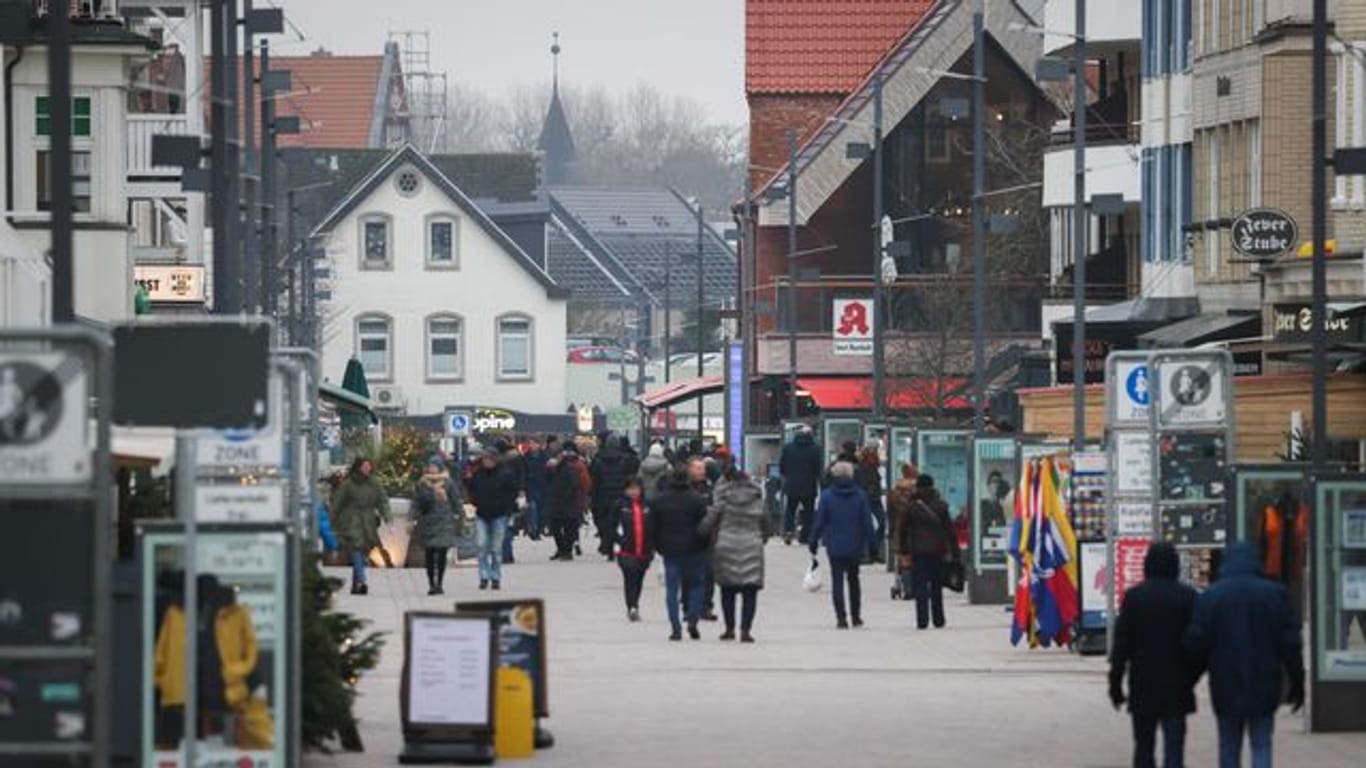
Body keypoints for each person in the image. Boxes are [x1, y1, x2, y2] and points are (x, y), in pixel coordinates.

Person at [1185, 542, 1304, 768]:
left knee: (1228, 743)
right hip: (1265, 681)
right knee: (1261, 743)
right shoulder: (1274, 594)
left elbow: (1198, 642)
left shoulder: (1212, 596)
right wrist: (1297, 681)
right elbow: (1290, 643)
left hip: (1225, 682)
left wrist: (1190, 677)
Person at [1109, 542, 1200, 768]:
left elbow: (1122, 646)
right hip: (1177, 685)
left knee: (1143, 746)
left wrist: (1116, 685)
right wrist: (1192, 676)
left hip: (1143, 685)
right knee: (1175, 748)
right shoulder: (1188, 597)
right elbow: (1198, 644)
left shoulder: (1134, 598)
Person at [701, 465, 767, 643]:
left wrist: (701, 533)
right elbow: (767, 524)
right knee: (750, 592)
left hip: (726, 545)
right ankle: (745, 630)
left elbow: (709, 521)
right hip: (752, 545)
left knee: (727, 590)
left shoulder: (723, 498)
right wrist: (762, 538)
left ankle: (729, 629)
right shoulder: (757, 499)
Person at [809, 461, 875, 629]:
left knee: (837, 581)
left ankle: (841, 618)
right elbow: (867, 522)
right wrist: (872, 545)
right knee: (854, 579)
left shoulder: (827, 497)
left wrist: (813, 541)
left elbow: (819, 522)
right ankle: (856, 616)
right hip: (855, 544)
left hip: (835, 545)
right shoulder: (860, 496)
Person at [649, 465, 710, 641]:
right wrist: (704, 545)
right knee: (697, 585)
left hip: (670, 550)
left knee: (672, 588)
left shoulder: (659, 501)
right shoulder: (697, 499)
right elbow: (704, 526)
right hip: (694, 549)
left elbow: (652, 527)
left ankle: (675, 627)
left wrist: (656, 546)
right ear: (687, 480)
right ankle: (692, 618)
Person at [895, 474, 960, 630]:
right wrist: (955, 552)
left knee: (920, 586)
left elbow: (902, 530)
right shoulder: (941, 505)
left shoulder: (911, 507)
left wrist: (903, 550)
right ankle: (938, 619)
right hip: (938, 551)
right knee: (937, 586)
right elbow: (950, 531)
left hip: (918, 552)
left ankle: (922, 620)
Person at [331, 457, 390, 595]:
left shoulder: (375, 483)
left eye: (369, 466)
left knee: (363, 551)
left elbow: (382, 501)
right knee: (357, 548)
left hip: (369, 521)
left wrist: (388, 517)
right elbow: (338, 503)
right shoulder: (348, 484)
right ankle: (362, 580)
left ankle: (355, 585)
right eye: (364, 466)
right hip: (352, 520)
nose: (367, 469)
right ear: (358, 467)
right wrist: (334, 521)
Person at [466, 448, 519, 590]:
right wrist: (474, 501)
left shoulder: (505, 474)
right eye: (484, 459)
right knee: (481, 545)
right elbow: (471, 488)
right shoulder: (478, 474)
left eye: (489, 459)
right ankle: (484, 576)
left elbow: (513, 492)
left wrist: (507, 507)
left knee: (496, 548)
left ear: (495, 459)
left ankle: (495, 577)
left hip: (499, 515)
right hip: (482, 514)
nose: (486, 462)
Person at [413, 456, 462, 596]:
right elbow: (416, 501)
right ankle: (431, 583)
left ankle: (439, 583)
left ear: (440, 467)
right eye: (430, 466)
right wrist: (412, 517)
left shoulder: (448, 483)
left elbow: (456, 500)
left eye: (434, 466)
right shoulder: (422, 483)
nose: (432, 468)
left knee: (441, 554)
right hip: (428, 522)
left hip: (444, 522)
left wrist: (460, 515)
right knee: (429, 555)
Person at [590, 433, 634, 558]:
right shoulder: (625, 460)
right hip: (620, 495)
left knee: (605, 522)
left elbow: (594, 479)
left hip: (603, 496)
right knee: (619, 523)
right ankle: (617, 544)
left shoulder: (598, 460)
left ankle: (607, 546)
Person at [615, 477, 653, 622]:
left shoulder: (647, 506)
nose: (634, 491)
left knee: (639, 579)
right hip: (626, 550)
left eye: (636, 488)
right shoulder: (620, 505)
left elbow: (652, 526)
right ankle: (632, 606)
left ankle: (635, 603)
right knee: (630, 577)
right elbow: (610, 526)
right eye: (630, 488)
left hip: (644, 550)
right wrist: (618, 540)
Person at [779, 425, 823, 545]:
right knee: (809, 511)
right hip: (809, 485)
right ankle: (805, 535)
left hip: (792, 484)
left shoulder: (788, 448)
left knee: (790, 509)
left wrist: (788, 476)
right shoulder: (815, 449)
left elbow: (782, 467)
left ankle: (788, 531)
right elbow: (817, 468)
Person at [687, 457, 718, 621]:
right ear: (689, 470)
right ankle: (689, 606)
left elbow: (714, 510)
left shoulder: (709, 489)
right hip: (687, 536)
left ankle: (706, 606)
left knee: (709, 573)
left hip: (707, 536)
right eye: (698, 468)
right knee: (689, 573)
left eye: (702, 468)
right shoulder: (684, 488)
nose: (701, 472)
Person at [546, 444, 586, 561]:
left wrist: (567, 496)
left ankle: (567, 550)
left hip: (568, 503)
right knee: (555, 528)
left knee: (569, 528)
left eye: (556, 457)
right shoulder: (552, 468)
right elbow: (547, 482)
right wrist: (548, 469)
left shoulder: (569, 468)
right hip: (555, 502)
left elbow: (574, 484)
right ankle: (560, 549)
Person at [855, 444, 886, 562]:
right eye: (874, 455)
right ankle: (867, 553)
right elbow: (862, 485)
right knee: (867, 525)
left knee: (882, 522)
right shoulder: (861, 469)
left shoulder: (874, 468)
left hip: (875, 499)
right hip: (866, 499)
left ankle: (875, 549)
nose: (877, 457)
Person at [522, 436, 552, 541]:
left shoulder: (545, 457)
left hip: (542, 487)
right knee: (532, 509)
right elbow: (523, 472)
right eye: (530, 443)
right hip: (530, 486)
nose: (532, 445)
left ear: (539, 445)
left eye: (534, 443)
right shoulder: (525, 457)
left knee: (541, 510)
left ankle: (538, 529)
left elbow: (549, 473)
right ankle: (533, 530)